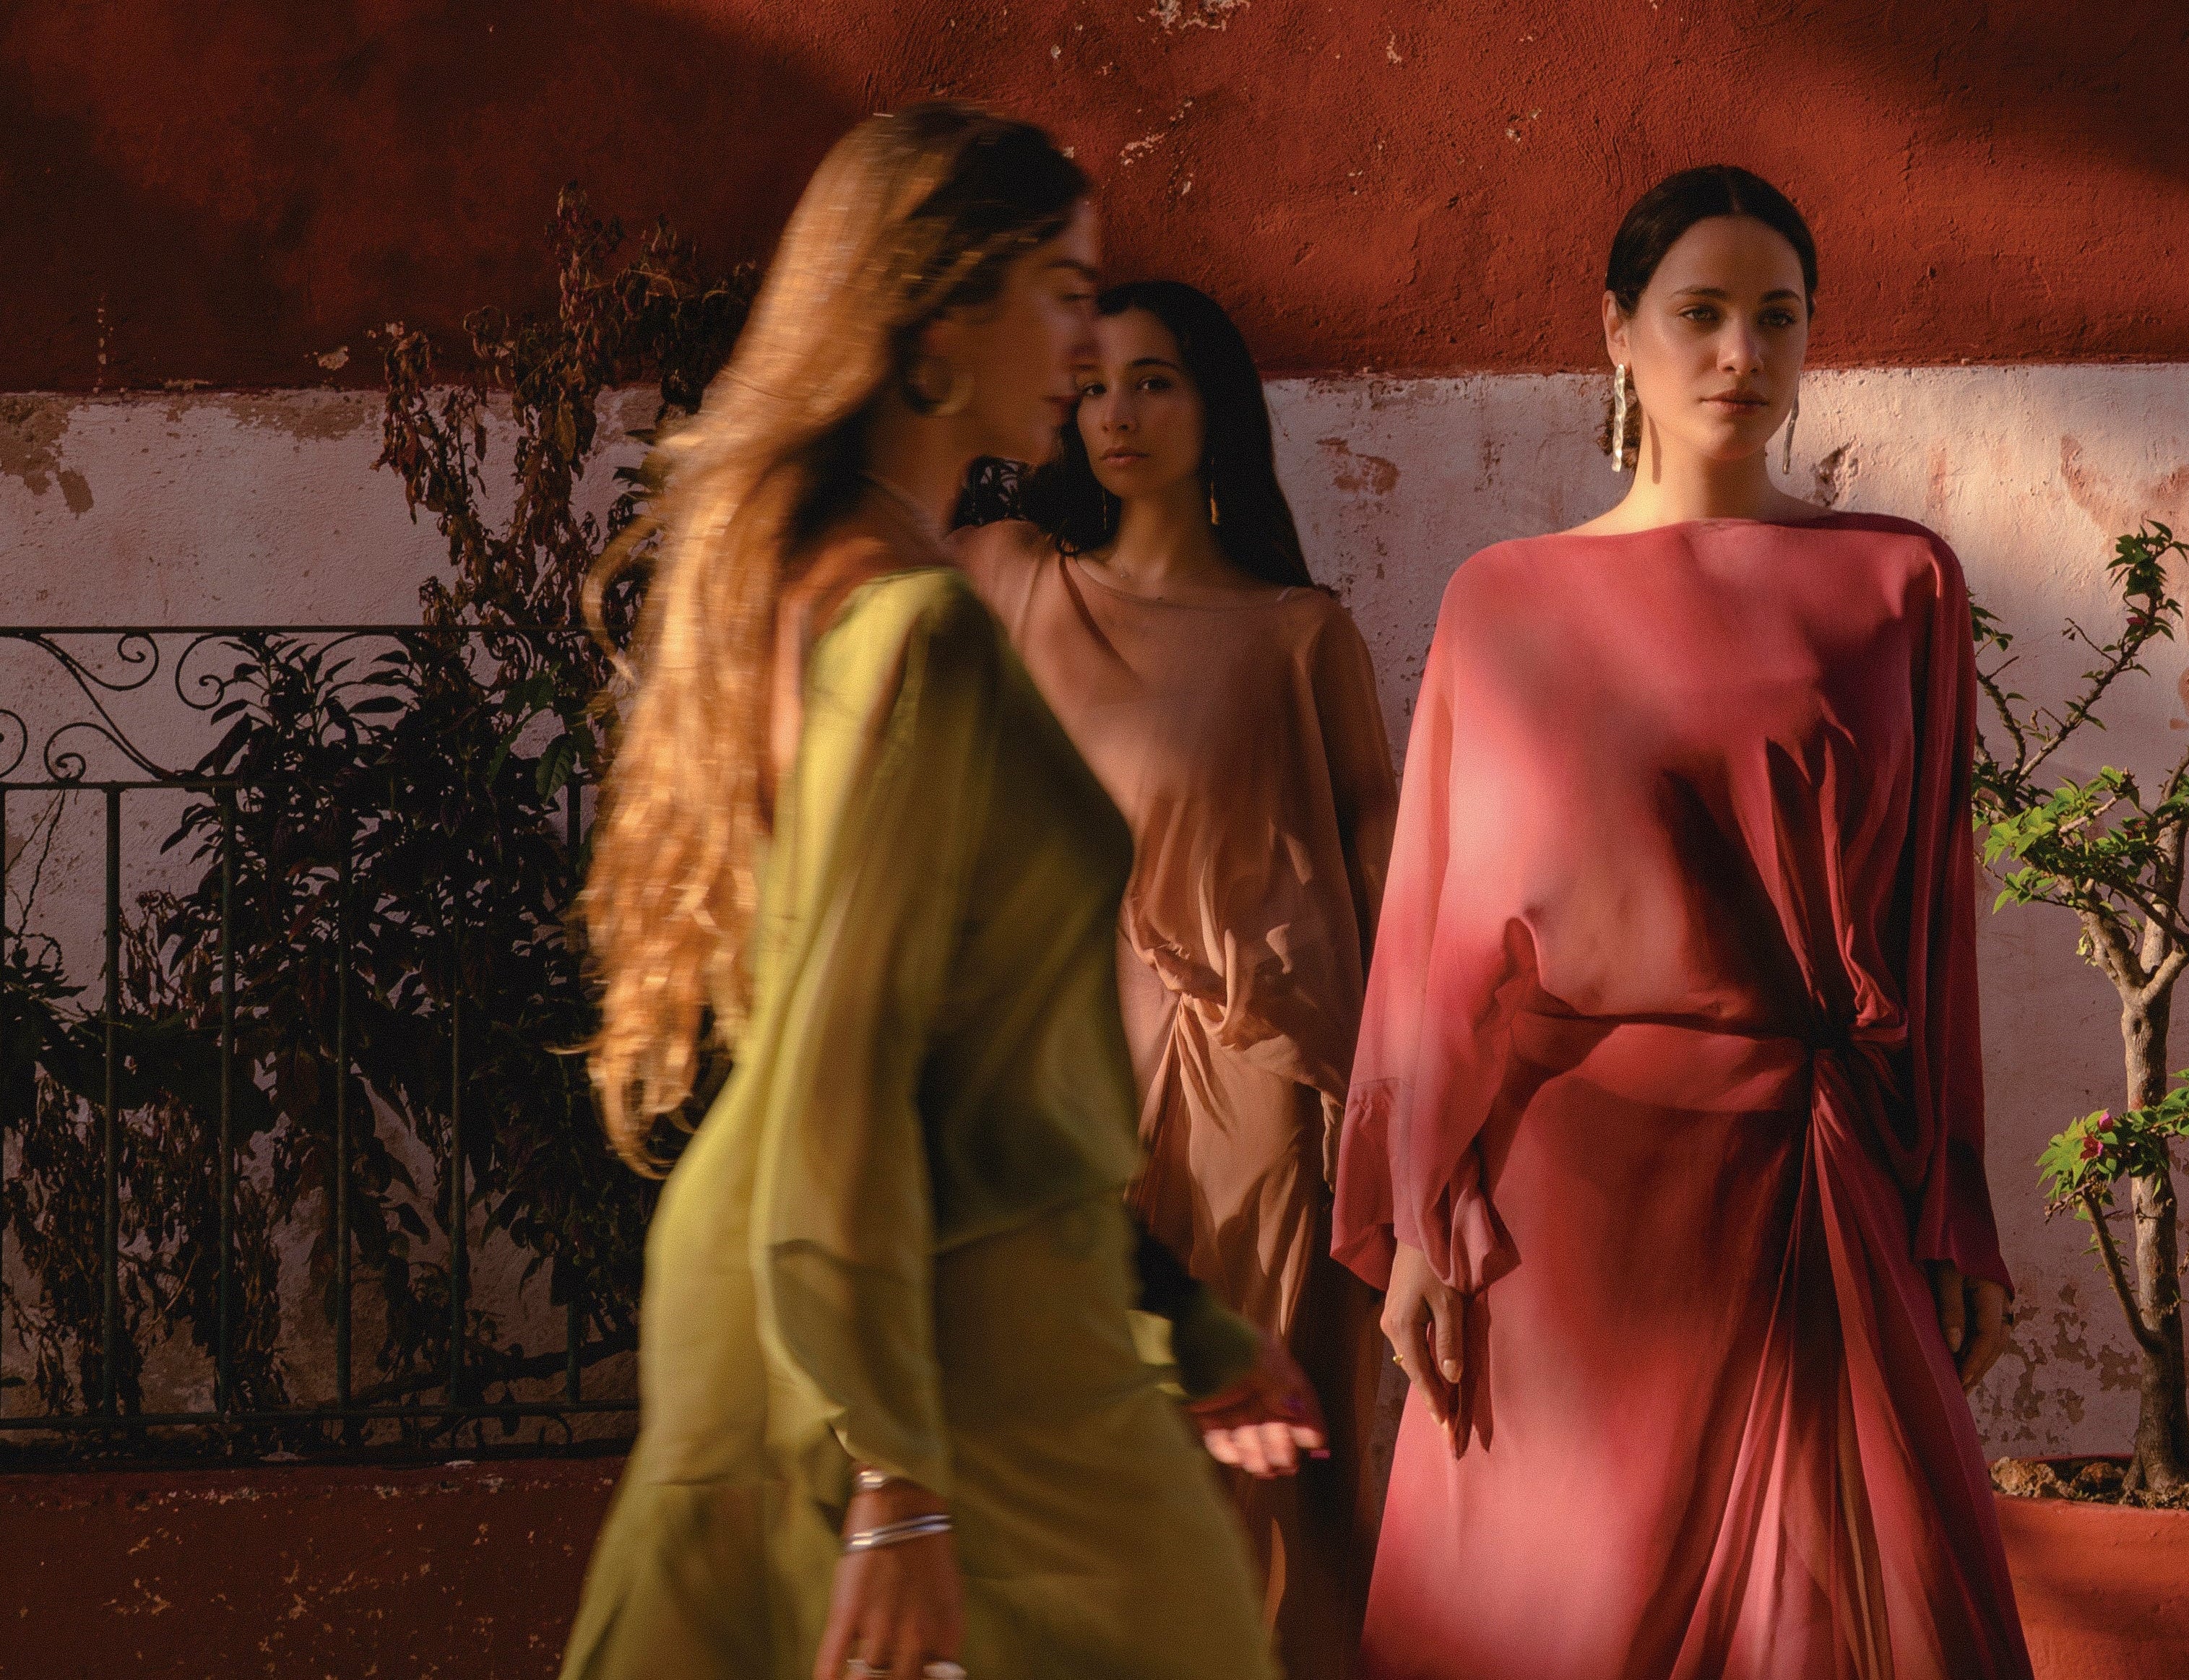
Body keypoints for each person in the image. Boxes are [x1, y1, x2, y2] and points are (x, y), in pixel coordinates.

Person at [561, 105, 1289, 1680]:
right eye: (1063, 287)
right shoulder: (915, 629)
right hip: (922, 1325)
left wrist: (1182, 1309)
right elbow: (857, 1048)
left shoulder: (802, 579)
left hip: (851, 1289)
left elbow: (951, 1043)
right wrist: (893, 1474)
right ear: (939, 317)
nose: (1092, 344)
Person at [1332, 165, 2033, 1679]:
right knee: (1554, 1615)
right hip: (1569, 1207)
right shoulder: (1504, 598)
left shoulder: (1899, 581)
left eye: (1777, 317)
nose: (1741, 353)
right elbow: (1442, 943)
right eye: (1700, 313)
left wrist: (1952, 1198)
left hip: (1820, 1170)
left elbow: (1930, 927)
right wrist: (1411, 1217)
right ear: (1617, 333)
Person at [957, 280, 1399, 1679]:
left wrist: (1416, 1108)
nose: (1118, 412)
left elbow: (1382, 860)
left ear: (1216, 408)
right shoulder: (1014, 575)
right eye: (1091, 384)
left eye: (1155, 380)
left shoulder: (1296, 631)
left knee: (1253, 1454)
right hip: (1061, 1074)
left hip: (1253, 1081)